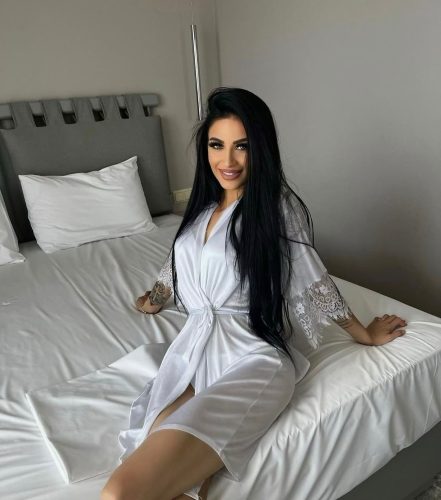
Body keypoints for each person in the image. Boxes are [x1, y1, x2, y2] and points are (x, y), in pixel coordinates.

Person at [101, 87, 407, 500]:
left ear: (260, 149)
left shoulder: (276, 208)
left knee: (119, 492)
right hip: (196, 351)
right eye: (217, 145)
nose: (227, 161)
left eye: (241, 146)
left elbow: (312, 277)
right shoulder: (203, 206)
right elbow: (178, 261)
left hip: (253, 357)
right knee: (147, 471)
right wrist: (155, 299)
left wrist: (364, 334)